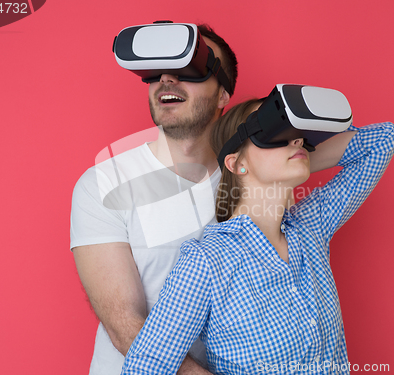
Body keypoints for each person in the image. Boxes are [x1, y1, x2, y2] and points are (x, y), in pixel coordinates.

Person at [121, 98, 394, 374]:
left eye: (297, 134)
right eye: (273, 131)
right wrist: (281, 158)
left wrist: (293, 151)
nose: (296, 140)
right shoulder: (207, 263)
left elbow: (383, 139)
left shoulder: (310, 229)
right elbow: (145, 367)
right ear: (236, 163)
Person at [70, 24, 238, 375]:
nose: (166, 80)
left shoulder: (250, 181)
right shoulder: (104, 183)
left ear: (223, 94)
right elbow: (124, 324)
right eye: (156, 71)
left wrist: (275, 132)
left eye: (190, 68)